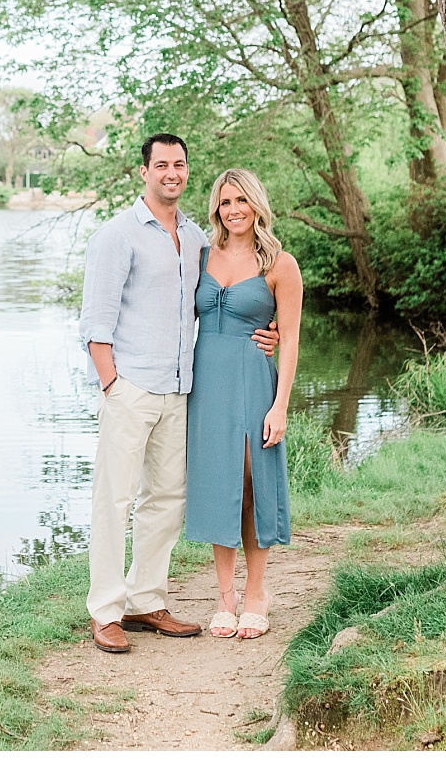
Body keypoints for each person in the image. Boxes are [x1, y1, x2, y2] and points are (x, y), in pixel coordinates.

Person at [77, 135, 277, 655]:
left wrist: (267, 330)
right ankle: (106, 609)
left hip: (181, 390)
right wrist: (112, 384)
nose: (172, 172)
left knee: (165, 500)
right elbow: (95, 323)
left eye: (180, 164)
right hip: (131, 387)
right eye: (161, 164)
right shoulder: (116, 236)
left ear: (188, 173)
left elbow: (218, 305)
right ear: (143, 171)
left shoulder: (193, 238)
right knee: (114, 500)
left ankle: (147, 599)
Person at [185, 168, 302, 641]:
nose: (232, 210)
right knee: (217, 483)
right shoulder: (199, 257)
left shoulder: (280, 264)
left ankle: (256, 593)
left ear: (257, 204)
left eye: (241, 201)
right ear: (216, 208)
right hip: (207, 381)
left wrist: (281, 406)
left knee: (251, 481)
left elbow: (290, 340)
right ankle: (224, 596)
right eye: (224, 202)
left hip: (254, 379)